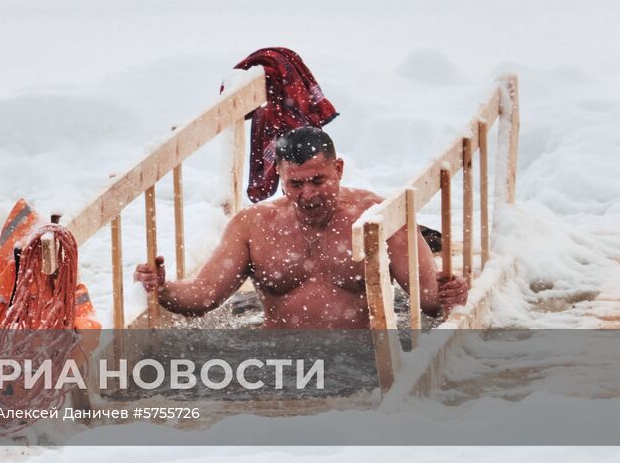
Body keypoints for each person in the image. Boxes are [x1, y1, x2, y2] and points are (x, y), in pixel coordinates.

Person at [133, 127, 466, 329]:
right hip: (284, 362)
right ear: (280, 175)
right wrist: (162, 289)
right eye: (295, 184)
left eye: (318, 180)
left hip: (359, 362)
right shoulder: (253, 226)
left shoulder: (380, 218)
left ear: (338, 169)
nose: (307, 195)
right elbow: (203, 297)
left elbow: (429, 302)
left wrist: (451, 296)